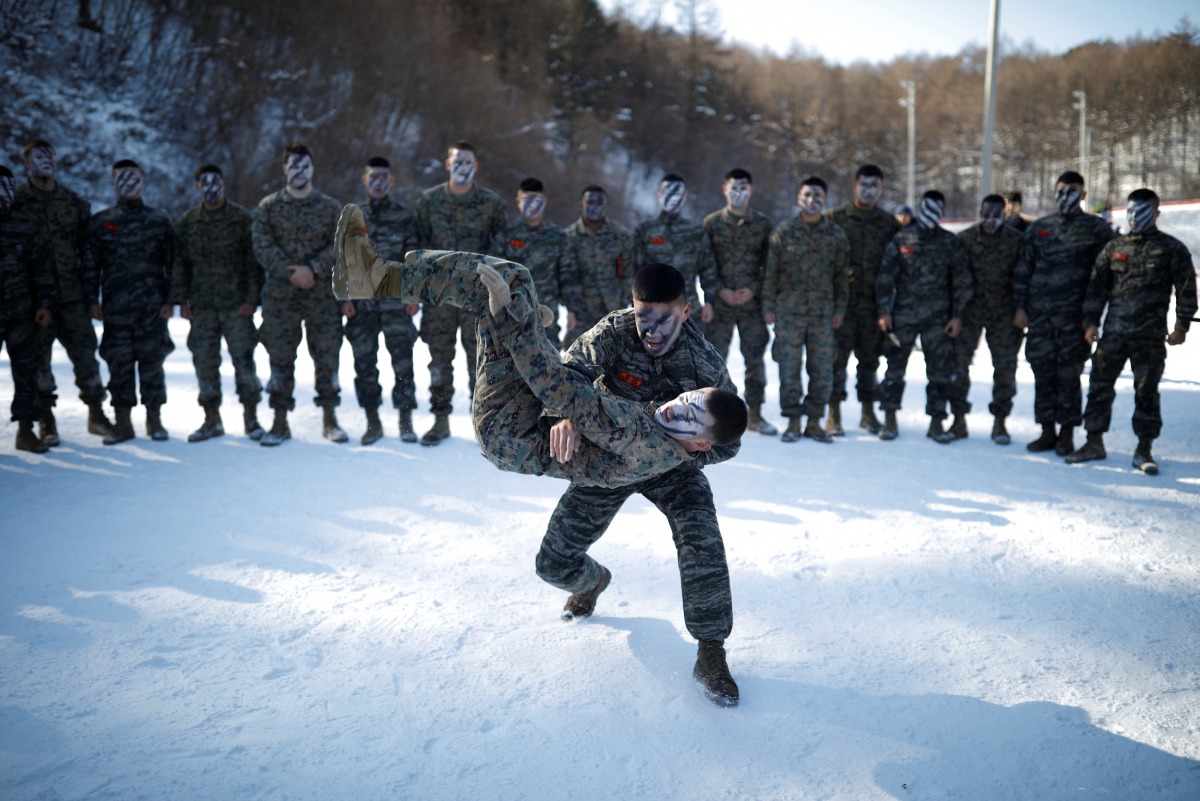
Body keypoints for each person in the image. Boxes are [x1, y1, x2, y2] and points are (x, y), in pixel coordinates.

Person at [332, 211, 747, 706]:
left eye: (663, 318)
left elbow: (728, 440)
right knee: (553, 563)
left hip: (672, 465)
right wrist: (563, 418)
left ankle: (711, 649)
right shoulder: (616, 331)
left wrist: (671, 455)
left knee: (702, 539)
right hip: (599, 454)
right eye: (643, 317)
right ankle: (594, 582)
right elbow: (570, 369)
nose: (651, 330)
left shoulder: (705, 365)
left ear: (686, 311)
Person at [1065, 188, 1196, 474]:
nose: (1136, 217)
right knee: (1099, 387)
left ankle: (1144, 449)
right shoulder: (1115, 247)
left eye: (1144, 211)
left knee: (1146, 391)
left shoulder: (1171, 249)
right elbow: (1097, 287)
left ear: (1157, 212)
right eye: (1133, 211)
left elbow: (1187, 288)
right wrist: (1090, 322)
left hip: (1149, 337)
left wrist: (1181, 325)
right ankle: (1094, 442)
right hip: (1113, 333)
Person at [14, 139, 112, 445]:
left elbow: (90, 254)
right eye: (38, 157)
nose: (45, 161)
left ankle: (96, 413)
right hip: (32, 301)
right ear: (26, 163)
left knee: (86, 356)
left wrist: (92, 296)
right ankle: (47, 419)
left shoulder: (73, 203)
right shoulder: (16, 202)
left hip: (73, 297)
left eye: (49, 157)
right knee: (39, 361)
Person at [1013, 170, 1117, 456]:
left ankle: (1067, 434)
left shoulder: (1096, 230)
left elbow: (1102, 279)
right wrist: (1020, 307)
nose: (1065, 195)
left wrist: (1092, 318)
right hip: (1040, 318)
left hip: (1075, 319)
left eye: (1072, 190)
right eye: (1060, 190)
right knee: (1042, 373)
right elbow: (1024, 270)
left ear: (1083, 194)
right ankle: (1047, 431)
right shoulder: (1039, 228)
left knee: (1069, 376)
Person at [251, 142, 347, 446]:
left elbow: (341, 245)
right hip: (281, 296)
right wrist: (291, 271)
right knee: (279, 358)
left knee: (327, 358)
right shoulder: (268, 207)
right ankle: (279, 421)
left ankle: (330, 418)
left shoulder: (330, 207)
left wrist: (314, 269)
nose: (299, 171)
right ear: (284, 169)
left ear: (313, 169)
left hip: (322, 297)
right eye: (294, 166)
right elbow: (261, 245)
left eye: (305, 166)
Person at [414, 140, 507, 446]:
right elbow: (418, 250)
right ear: (448, 164)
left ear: (475, 167)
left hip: (476, 299)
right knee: (440, 360)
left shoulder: (491, 204)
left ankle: (483, 425)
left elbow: (501, 253)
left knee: (479, 361)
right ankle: (441, 420)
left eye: (468, 162)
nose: (463, 167)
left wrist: (497, 294)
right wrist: (413, 293)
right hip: (439, 298)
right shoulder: (429, 202)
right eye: (458, 161)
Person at [82, 159, 175, 444]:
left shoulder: (159, 221)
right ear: (113, 184)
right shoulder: (101, 223)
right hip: (115, 309)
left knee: (152, 363)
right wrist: (91, 299)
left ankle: (154, 420)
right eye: (122, 178)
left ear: (143, 182)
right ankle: (123, 423)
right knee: (119, 365)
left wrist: (172, 299)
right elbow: (90, 265)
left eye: (134, 178)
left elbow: (172, 264)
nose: (129, 183)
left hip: (152, 309)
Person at [171, 163, 264, 443]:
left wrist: (252, 299)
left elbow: (253, 263)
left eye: (216, 183)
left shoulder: (241, 219)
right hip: (202, 307)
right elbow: (180, 265)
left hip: (237, 306)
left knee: (244, 361)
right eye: (205, 183)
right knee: (204, 363)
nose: (212, 188)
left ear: (223, 185)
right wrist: (181, 300)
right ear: (197, 187)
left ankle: (252, 419)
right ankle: (211, 419)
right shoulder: (187, 223)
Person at [875, 190, 972, 442]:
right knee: (894, 369)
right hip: (903, 316)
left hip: (938, 319)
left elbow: (962, 282)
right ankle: (890, 419)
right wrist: (884, 311)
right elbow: (885, 278)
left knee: (939, 372)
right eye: (927, 207)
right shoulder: (902, 239)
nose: (931, 213)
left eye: (936, 208)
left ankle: (937, 421)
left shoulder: (951, 243)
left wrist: (957, 316)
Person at [762, 176, 849, 443]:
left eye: (817, 195)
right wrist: (768, 305)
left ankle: (814, 421)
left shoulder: (836, 235)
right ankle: (793, 420)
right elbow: (771, 274)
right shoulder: (783, 233)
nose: (812, 200)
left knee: (822, 369)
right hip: (789, 313)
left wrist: (840, 310)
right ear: (799, 199)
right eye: (807, 195)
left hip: (823, 315)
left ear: (825, 200)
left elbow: (842, 277)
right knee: (788, 369)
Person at [341, 156, 421, 444]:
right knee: (364, 362)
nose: (378, 182)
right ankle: (372, 421)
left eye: (383, 177)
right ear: (365, 180)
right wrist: (344, 299)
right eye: (373, 177)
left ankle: (405, 419)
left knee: (402, 361)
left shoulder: (404, 217)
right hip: (362, 303)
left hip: (395, 302)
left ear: (391, 181)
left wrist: (413, 295)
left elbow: (414, 260)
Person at [827, 164, 902, 436]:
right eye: (864, 184)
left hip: (874, 306)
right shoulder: (836, 218)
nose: (868, 190)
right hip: (842, 306)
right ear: (854, 187)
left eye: (874, 185)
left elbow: (898, 265)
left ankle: (868, 413)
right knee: (836, 360)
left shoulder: (889, 224)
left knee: (869, 361)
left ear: (881, 189)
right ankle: (833, 414)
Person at [702, 167, 777, 435]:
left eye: (743, 187)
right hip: (720, 305)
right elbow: (706, 265)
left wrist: (754, 290)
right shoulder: (711, 224)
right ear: (725, 190)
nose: (738, 192)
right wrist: (716, 292)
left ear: (751, 190)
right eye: (733, 187)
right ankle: (714, 415)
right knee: (714, 360)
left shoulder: (764, 225)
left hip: (751, 305)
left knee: (754, 359)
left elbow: (770, 266)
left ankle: (755, 413)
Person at [951, 194, 1024, 444]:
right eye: (986, 214)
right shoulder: (966, 239)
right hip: (970, 312)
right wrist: (956, 315)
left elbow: (1022, 277)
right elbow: (957, 280)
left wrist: (1021, 309)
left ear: (1005, 215)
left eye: (996, 215)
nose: (990, 220)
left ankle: (1000, 422)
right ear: (979, 213)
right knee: (959, 366)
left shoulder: (1016, 241)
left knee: (1005, 367)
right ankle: (958, 419)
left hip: (1004, 313)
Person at [1, 165, 56, 453]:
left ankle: (26, 430)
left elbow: (42, 270)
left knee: (26, 372)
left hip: (21, 312)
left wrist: (45, 304)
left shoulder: (26, 226)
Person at [490, 177, 577, 348]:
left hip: (547, 315)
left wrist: (572, 310)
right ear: (518, 202)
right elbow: (495, 274)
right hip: (512, 313)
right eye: (527, 200)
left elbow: (568, 275)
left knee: (548, 364)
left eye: (537, 200)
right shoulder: (506, 235)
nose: (532, 205)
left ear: (544, 202)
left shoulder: (557, 236)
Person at [632, 173, 719, 333]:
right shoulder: (644, 231)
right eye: (668, 193)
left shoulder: (696, 230)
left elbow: (708, 269)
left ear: (685, 197)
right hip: (652, 310)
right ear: (659, 196)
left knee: (692, 356)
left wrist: (709, 302)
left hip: (689, 310)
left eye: (677, 194)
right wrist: (636, 307)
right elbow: (634, 271)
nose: (673, 198)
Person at [561, 185, 634, 346]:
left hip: (613, 310)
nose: (595, 207)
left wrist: (624, 302)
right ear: (581, 204)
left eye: (600, 203)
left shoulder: (620, 236)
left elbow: (629, 273)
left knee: (616, 357)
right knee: (575, 358)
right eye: (591, 202)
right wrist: (572, 309)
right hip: (581, 312)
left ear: (605, 205)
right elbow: (567, 276)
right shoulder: (569, 237)